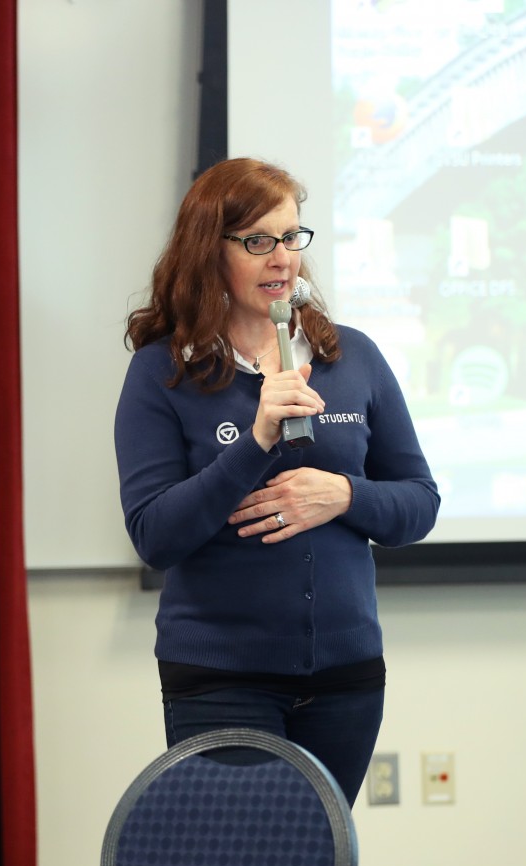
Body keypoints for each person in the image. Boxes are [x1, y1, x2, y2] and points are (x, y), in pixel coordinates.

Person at [114, 157, 439, 805]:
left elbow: (419, 502)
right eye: (259, 241)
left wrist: (344, 494)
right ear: (210, 250)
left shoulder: (352, 358)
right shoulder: (163, 373)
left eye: (292, 237)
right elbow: (155, 535)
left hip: (346, 677)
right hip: (220, 678)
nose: (282, 257)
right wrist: (257, 440)